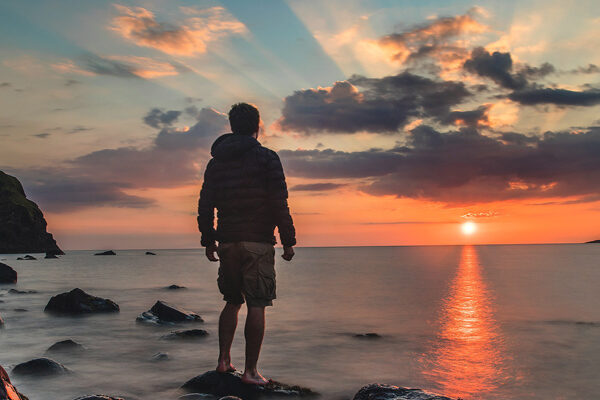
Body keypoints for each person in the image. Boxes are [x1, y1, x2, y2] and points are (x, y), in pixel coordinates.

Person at [197, 102, 296, 385]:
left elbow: (206, 204)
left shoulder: (217, 162)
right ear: (257, 126)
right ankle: (251, 372)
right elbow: (279, 202)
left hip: (227, 241)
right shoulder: (267, 158)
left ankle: (223, 361)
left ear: (231, 126)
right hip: (257, 242)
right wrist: (288, 241)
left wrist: (208, 239)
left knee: (231, 301)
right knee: (257, 303)